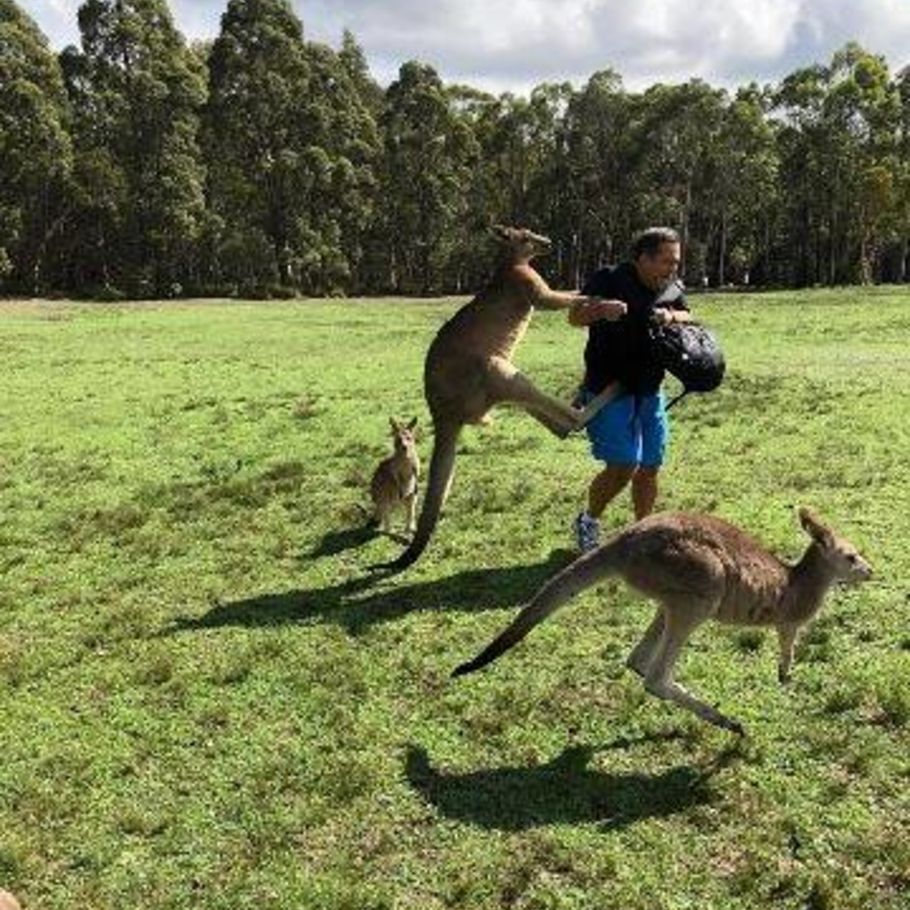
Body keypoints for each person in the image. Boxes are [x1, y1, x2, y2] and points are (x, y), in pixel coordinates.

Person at [568, 226, 692, 551]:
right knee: (623, 465)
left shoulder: (669, 288)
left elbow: (688, 315)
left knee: (650, 466)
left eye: (675, 263)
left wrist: (671, 316)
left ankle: (642, 534)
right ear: (642, 258)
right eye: (667, 262)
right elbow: (574, 317)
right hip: (609, 389)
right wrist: (600, 310)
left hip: (650, 388)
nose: (672, 269)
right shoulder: (609, 279)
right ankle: (589, 520)